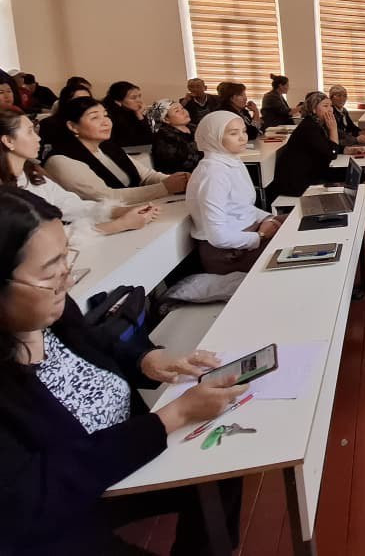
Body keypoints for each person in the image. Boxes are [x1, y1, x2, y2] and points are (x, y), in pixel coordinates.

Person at [0, 187, 247, 556]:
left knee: (222, 464)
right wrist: (171, 417)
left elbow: (94, 344)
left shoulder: (50, 314)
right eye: (50, 273)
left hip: (125, 454)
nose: (68, 281)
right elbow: (28, 499)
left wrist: (147, 359)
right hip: (60, 514)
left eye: (66, 260)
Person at [0, 110, 159, 244]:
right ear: (8, 141)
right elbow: (38, 240)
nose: (38, 138)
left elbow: (72, 206)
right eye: (29, 132)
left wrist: (121, 211)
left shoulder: (32, 176)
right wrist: (119, 225)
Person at [43, 97, 189, 205]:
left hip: (138, 210)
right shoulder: (61, 160)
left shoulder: (107, 146)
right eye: (94, 117)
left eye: (106, 115)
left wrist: (181, 180)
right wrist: (164, 188)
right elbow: (104, 197)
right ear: (72, 126)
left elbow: (146, 176)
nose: (106, 122)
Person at [187, 111, 282, 273]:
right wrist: (260, 236)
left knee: (302, 221)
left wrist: (269, 219)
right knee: (297, 241)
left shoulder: (231, 161)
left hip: (248, 233)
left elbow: (242, 207)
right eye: (233, 133)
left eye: (243, 131)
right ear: (214, 137)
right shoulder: (213, 174)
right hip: (229, 253)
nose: (242, 138)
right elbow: (218, 236)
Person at [271, 92, 347, 197]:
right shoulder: (310, 127)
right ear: (314, 109)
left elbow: (324, 146)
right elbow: (332, 154)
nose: (330, 109)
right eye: (325, 106)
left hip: (310, 172)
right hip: (297, 182)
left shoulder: (316, 123)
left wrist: (345, 149)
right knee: (352, 174)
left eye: (330, 106)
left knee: (350, 172)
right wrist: (333, 129)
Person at [39, 82, 93, 160]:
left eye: (88, 99)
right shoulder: (49, 124)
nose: (85, 103)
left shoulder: (94, 121)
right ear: (66, 101)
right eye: (79, 99)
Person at [148, 99, 203, 174]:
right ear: (166, 119)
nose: (184, 112)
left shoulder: (193, 127)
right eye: (177, 111)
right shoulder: (164, 137)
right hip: (182, 176)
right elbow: (180, 163)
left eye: (182, 108)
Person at [103, 81, 153, 147]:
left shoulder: (133, 111)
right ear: (118, 101)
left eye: (139, 96)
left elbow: (149, 138)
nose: (139, 101)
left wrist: (139, 115)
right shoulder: (109, 116)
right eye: (133, 98)